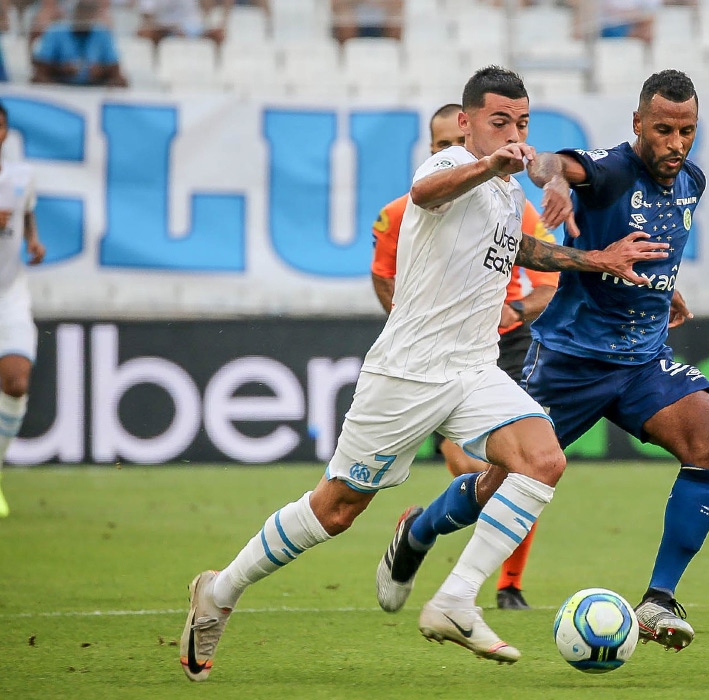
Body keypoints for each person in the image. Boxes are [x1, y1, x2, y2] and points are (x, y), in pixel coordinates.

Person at [178, 65, 670, 680]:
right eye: (499, 123)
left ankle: (456, 599)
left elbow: (521, 250)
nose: (513, 136)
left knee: (542, 459)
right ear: (466, 124)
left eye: (521, 124)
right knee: (336, 509)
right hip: (408, 373)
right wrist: (491, 163)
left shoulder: (503, 192)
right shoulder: (445, 167)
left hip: (472, 367)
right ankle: (219, 592)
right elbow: (427, 196)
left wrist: (596, 260)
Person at [377, 69, 709, 653]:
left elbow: (647, 250)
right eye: (663, 130)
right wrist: (558, 181)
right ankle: (416, 531)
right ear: (638, 125)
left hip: (641, 360)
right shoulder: (611, 167)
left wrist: (662, 287)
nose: (675, 143)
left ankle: (659, 599)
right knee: (497, 485)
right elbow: (556, 163)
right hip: (571, 360)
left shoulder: (690, 180)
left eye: (686, 130)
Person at [369, 102, 559, 611]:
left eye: (454, 145)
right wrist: (416, 317)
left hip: (509, 343)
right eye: (440, 147)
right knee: (467, 466)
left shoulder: (514, 203)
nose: (449, 154)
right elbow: (383, 276)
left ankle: (508, 585)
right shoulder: (400, 212)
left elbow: (547, 282)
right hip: (435, 352)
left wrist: (512, 308)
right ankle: (423, 533)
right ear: (432, 150)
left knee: (531, 461)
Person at [0, 101, 45, 519]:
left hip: (9, 292)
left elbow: (26, 213)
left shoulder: (20, 177)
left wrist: (32, 239)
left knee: (15, 381)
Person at [32, 0, 127, 87]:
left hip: (94, 91)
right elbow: (40, 71)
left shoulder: (103, 33)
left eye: (88, 13)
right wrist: (61, 69)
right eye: (81, 11)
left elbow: (116, 72)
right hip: (60, 91)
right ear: (73, 12)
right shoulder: (56, 31)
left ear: (93, 15)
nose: (84, 16)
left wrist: (101, 71)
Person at [138, 0, 233, 45]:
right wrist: (172, 28)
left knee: (219, 34)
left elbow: (206, 9)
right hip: (164, 29)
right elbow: (146, 16)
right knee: (144, 32)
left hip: (192, 28)